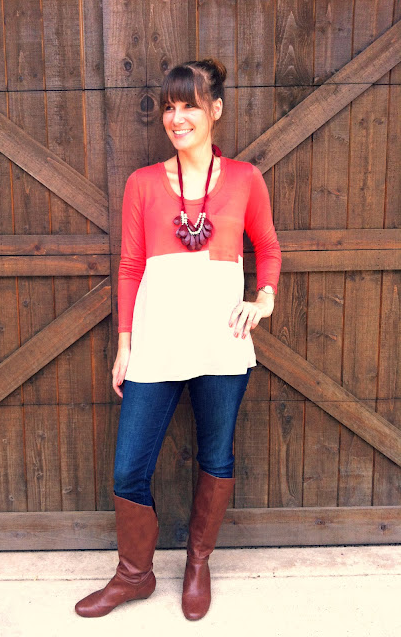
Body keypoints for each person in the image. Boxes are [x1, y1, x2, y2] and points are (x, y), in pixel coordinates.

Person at [75, 58, 282, 621]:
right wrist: (125, 344)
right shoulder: (142, 183)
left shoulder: (245, 179)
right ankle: (134, 575)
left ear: (215, 110)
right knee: (129, 468)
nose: (177, 116)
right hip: (156, 344)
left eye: (190, 104)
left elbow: (268, 247)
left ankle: (197, 564)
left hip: (222, 344)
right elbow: (130, 267)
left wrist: (263, 299)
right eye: (170, 106)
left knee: (216, 456)